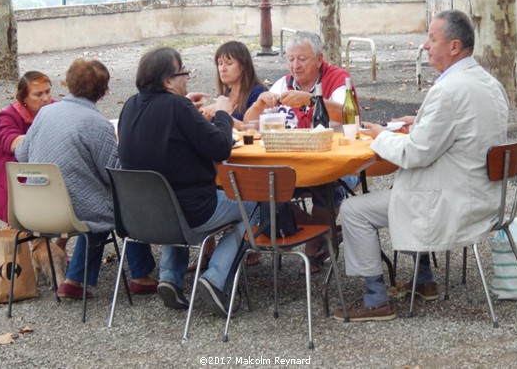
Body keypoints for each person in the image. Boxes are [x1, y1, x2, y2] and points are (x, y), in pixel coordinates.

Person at [334, 10, 509, 322]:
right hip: (485, 198)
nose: (425, 45)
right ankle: (423, 277)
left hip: (452, 202)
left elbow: (415, 154)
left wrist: (380, 135)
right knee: (405, 187)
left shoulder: (448, 89)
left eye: (432, 38)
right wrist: (420, 121)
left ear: (454, 47)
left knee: (353, 210)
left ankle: (376, 298)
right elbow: (464, 130)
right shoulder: (488, 82)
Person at [117, 46, 258, 317]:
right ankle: (215, 277)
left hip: (143, 216)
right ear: (168, 81)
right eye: (183, 73)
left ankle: (170, 277)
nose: (187, 79)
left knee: (169, 193)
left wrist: (188, 110)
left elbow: (166, 132)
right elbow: (219, 148)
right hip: (192, 213)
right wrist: (222, 114)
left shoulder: (130, 106)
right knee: (257, 204)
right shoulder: (177, 107)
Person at [15, 59, 157, 299]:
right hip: (71, 211)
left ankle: (75, 279)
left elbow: (21, 154)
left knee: (96, 207)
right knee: (123, 206)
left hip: (33, 208)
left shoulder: (46, 113)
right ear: (103, 91)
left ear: (68, 84)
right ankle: (140, 275)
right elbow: (114, 174)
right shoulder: (96, 123)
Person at [244, 31, 361, 272]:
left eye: (302, 59)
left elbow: (347, 114)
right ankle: (322, 236)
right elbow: (249, 123)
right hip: (292, 165)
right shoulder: (283, 83)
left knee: (327, 185)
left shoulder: (337, 79)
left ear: (319, 59)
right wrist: (258, 105)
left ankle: (313, 248)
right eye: (290, 59)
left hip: (335, 164)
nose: (294, 66)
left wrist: (309, 99)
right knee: (262, 187)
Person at [192, 41, 266, 271]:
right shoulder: (222, 95)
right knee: (203, 181)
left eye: (228, 63)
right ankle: (209, 249)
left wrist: (223, 114)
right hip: (225, 162)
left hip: (251, 163)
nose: (222, 68)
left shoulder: (258, 93)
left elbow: (253, 129)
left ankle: (249, 243)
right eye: (219, 63)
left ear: (243, 66)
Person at [0, 71, 54, 224]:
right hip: (10, 181)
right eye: (38, 94)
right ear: (24, 98)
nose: (45, 98)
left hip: (41, 176)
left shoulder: (54, 107)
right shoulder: (8, 115)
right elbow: (12, 142)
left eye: (48, 92)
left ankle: (53, 246)